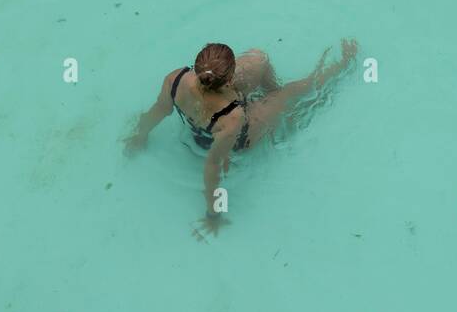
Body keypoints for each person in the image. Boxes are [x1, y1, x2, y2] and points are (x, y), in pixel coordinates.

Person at [123, 40, 358, 235]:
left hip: (206, 120)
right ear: (229, 79)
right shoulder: (232, 117)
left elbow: (158, 111)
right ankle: (342, 65)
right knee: (294, 91)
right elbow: (213, 165)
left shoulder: (175, 78)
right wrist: (212, 213)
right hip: (241, 135)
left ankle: (270, 89)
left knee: (259, 57)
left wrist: (139, 136)